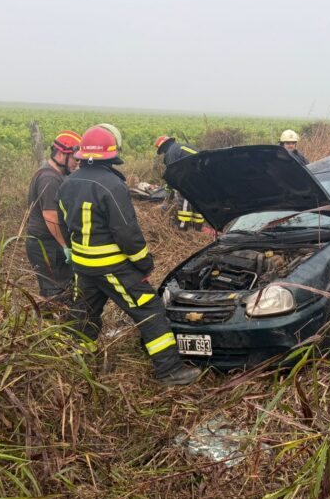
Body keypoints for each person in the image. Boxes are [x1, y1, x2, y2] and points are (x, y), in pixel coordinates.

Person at [57, 125, 201, 386]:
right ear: (112, 152)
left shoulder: (67, 183)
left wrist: (77, 254)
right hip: (113, 266)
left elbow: (64, 225)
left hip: (83, 266)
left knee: (84, 313)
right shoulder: (113, 185)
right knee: (150, 310)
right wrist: (143, 263)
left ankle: (77, 364)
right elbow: (126, 233)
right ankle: (169, 370)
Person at [25, 130, 81, 300]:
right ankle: (55, 317)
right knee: (56, 292)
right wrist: (65, 246)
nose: (77, 163)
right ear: (61, 154)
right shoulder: (49, 178)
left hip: (51, 245)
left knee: (62, 288)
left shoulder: (55, 174)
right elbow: (50, 216)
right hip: (47, 246)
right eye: (75, 159)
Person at [154, 135, 205, 230]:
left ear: (163, 147)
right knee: (197, 202)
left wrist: (169, 187)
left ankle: (182, 226)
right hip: (203, 175)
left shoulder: (171, 152)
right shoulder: (180, 147)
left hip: (191, 176)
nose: (163, 153)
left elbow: (172, 172)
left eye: (162, 151)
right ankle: (197, 228)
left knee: (185, 196)